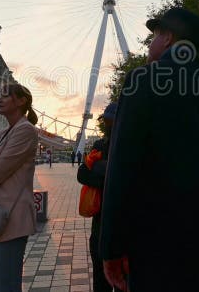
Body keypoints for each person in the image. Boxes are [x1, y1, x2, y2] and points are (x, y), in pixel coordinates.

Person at [100, 7, 199, 291]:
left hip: (157, 241)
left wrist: (111, 247)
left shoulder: (143, 80)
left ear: (167, 37)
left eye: (153, 36)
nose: (150, 45)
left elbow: (122, 170)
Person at [0, 83, 38, 292]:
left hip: (11, 216)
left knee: (7, 286)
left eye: (5, 96)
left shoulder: (26, 131)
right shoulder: (2, 133)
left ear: (21, 101)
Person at [77, 102, 117, 292]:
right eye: (106, 121)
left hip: (124, 224)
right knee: (100, 279)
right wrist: (108, 178)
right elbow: (82, 174)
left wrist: (100, 169)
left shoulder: (131, 144)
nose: (108, 125)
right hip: (99, 223)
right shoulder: (100, 144)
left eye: (112, 120)